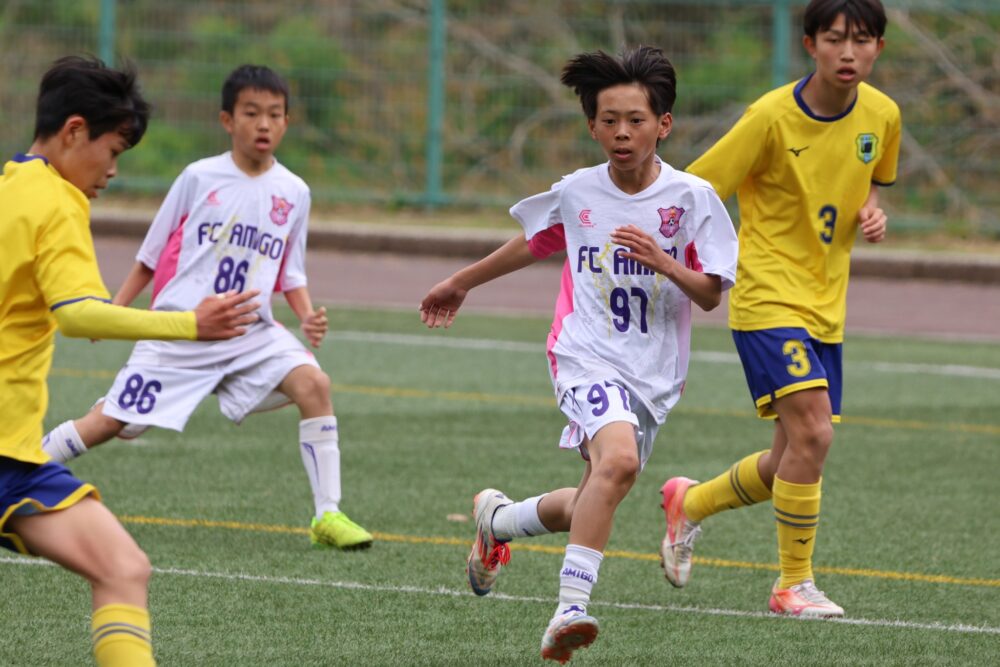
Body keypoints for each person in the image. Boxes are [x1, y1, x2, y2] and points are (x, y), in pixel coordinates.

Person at [420, 46, 738, 663]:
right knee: (617, 462)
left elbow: (709, 296)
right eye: (609, 120)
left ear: (663, 125)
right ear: (592, 125)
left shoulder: (693, 199)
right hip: (583, 354)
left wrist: (664, 262)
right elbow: (531, 243)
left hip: (653, 375)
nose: (622, 132)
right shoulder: (578, 192)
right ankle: (569, 609)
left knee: (596, 493)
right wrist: (461, 281)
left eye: (636, 120)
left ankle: (498, 522)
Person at [41, 64, 373, 551]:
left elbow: (291, 272)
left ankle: (328, 514)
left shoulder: (295, 192)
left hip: (249, 332)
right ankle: (24, 469)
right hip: (182, 329)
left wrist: (306, 316)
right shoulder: (198, 177)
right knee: (110, 423)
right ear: (227, 120)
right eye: (251, 113)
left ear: (286, 122)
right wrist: (115, 309)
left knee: (314, 384)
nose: (263, 124)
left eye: (274, 114)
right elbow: (150, 255)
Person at [1, 55, 260, 667]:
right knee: (121, 569)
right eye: (112, 150)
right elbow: (78, 314)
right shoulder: (58, 200)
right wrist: (191, 324)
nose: (113, 170)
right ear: (74, 131)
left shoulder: (10, 185)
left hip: (16, 458)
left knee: (123, 567)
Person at [659, 0, 901, 619]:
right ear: (810, 44)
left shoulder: (883, 115)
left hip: (827, 304)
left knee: (791, 456)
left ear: (878, 47)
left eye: (862, 40)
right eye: (835, 39)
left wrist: (872, 212)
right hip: (766, 296)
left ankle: (689, 503)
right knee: (815, 433)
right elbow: (696, 189)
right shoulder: (769, 117)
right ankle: (793, 584)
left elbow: (873, 181)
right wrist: (684, 264)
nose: (849, 52)